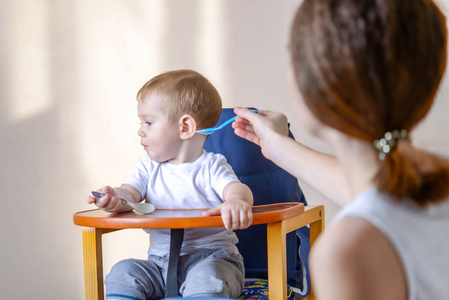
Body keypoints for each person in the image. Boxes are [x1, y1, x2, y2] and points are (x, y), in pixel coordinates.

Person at [232, 0, 449, 299]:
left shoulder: (346, 251)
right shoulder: (429, 186)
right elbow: (370, 192)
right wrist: (277, 147)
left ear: (315, 86)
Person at [87, 69, 253, 299]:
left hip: (214, 260)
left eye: (148, 122)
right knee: (123, 272)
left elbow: (235, 188)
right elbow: (131, 193)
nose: (140, 131)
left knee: (207, 278)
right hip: (161, 267)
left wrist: (236, 201)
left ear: (185, 127)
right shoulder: (148, 167)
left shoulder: (212, 166)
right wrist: (115, 197)